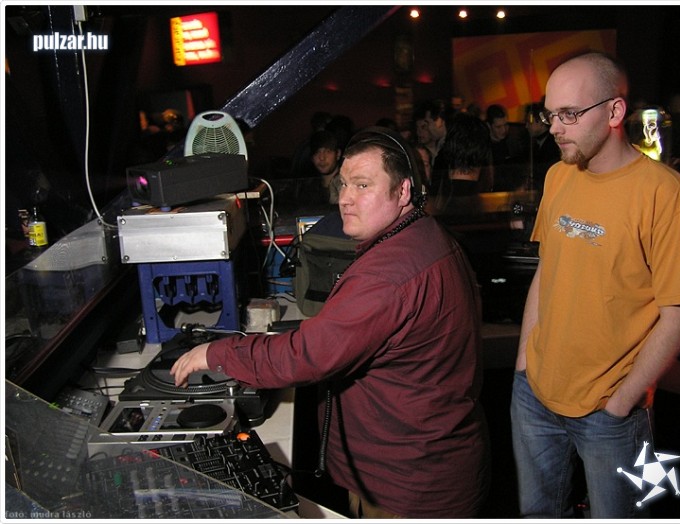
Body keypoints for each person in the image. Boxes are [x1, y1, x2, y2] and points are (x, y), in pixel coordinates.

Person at [171, 126, 491, 518]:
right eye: (343, 184)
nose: (345, 198)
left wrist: (217, 353)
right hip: (438, 464)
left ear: (403, 191)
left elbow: (306, 356)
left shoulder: (388, 274)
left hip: (408, 488)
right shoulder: (427, 236)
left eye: (363, 185)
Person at [510, 51, 680, 519]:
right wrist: (524, 365)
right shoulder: (558, 176)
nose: (555, 128)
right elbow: (547, 271)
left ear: (614, 111)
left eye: (570, 114)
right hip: (535, 396)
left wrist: (622, 403)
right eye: (550, 114)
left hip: (611, 414)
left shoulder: (664, 191)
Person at [523, 101, 560, 192]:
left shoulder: (553, 146)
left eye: (529, 122)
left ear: (541, 122)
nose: (526, 126)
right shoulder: (536, 144)